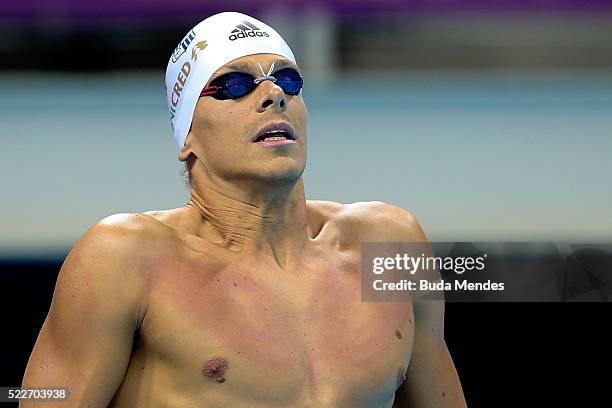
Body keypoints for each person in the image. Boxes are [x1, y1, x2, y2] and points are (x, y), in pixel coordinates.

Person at [21, 12, 466, 407]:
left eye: (288, 79)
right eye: (234, 85)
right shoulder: (123, 257)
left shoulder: (388, 244)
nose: (273, 94)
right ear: (187, 136)